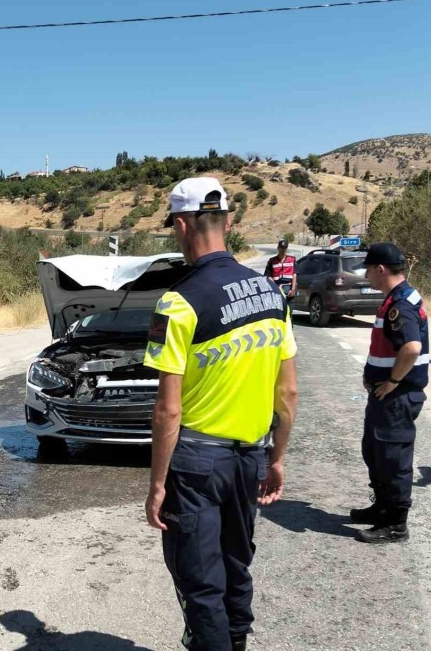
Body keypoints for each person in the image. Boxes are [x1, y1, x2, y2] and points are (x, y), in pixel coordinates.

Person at [144, 177, 298, 651]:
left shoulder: (177, 302)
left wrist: (157, 485)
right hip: (250, 457)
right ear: (228, 222)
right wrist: (276, 458)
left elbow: (168, 410)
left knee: (200, 583)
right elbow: (288, 391)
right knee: (236, 565)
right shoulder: (272, 294)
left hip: (196, 466)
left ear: (181, 225)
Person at [352, 243, 430, 543]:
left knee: (393, 459)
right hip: (386, 397)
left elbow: (411, 347)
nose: (367, 276)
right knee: (376, 452)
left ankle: (396, 524)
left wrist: (393, 381)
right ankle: (382, 508)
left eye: (369, 270)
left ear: (381, 269)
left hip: (397, 398)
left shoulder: (401, 304)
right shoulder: (398, 297)